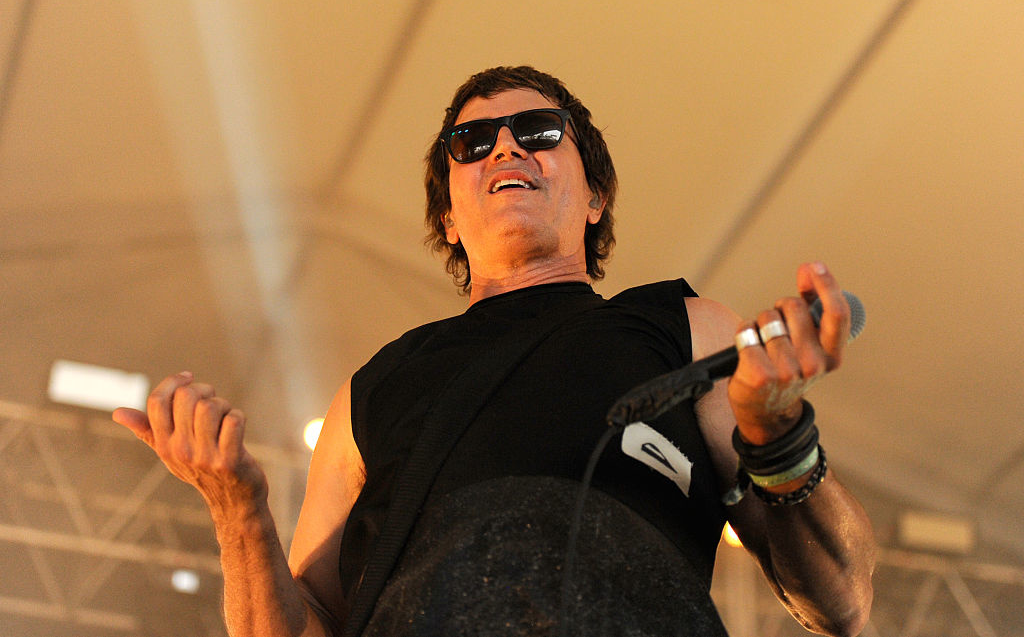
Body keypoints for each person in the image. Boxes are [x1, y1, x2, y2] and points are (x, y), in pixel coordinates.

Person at [114, 66, 875, 637]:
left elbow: (841, 600)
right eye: (472, 142)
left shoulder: (686, 330)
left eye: (540, 131)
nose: (505, 145)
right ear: (448, 216)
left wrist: (779, 437)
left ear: (596, 195)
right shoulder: (371, 392)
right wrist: (239, 513)